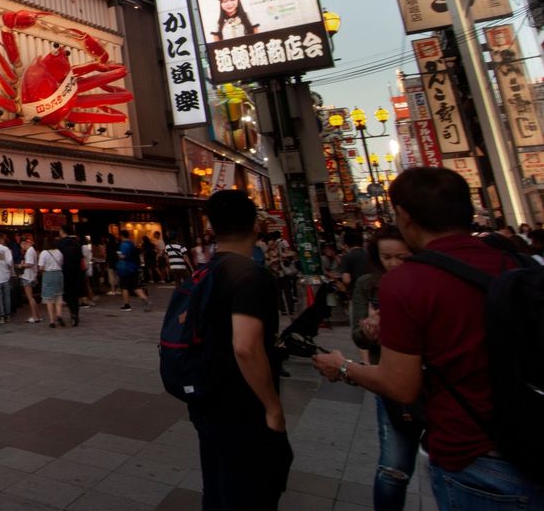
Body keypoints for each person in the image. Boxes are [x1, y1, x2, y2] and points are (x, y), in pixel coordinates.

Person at [313, 168, 544, 507]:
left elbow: (399, 384)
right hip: (534, 433)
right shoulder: (518, 262)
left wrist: (342, 367)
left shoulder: (410, 282)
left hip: (473, 453)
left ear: (404, 215)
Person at [192, 189, 291, 511]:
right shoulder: (250, 275)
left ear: (211, 227)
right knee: (249, 491)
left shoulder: (205, 271)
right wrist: (272, 406)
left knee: (218, 486)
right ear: (255, 226)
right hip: (241, 403)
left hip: (207, 397)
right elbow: (246, 347)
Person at [348, 225, 418, 510]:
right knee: (393, 465)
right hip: (387, 376)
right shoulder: (368, 284)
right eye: (386, 257)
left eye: (401, 256)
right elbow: (357, 333)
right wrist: (369, 331)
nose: (393, 264)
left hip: (431, 379)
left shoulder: (423, 282)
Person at [116, 230, 152, 311]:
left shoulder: (123, 245)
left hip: (125, 269)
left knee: (124, 287)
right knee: (135, 287)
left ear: (121, 236)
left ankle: (127, 305)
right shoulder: (132, 243)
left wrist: (118, 255)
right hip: (133, 268)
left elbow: (123, 256)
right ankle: (146, 300)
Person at [57, 225, 85, 325]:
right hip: (76, 272)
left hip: (64, 272)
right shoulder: (77, 243)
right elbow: (82, 260)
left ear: (63, 232)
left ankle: (70, 314)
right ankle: (75, 314)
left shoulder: (59, 244)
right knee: (75, 295)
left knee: (68, 294)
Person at [37, 235, 66, 328]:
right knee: (58, 297)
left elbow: (41, 267)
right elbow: (61, 263)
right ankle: (59, 315)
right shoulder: (59, 252)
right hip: (59, 274)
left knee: (49, 299)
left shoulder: (44, 253)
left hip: (48, 275)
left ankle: (52, 321)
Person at [19, 236, 41, 323]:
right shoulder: (32, 250)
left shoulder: (29, 251)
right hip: (31, 276)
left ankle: (35, 317)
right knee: (32, 297)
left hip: (28, 277)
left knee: (30, 297)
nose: (21, 246)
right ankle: (38, 316)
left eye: (21, 244)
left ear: (24, 243)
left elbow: (30, 264)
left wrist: (22, 265)